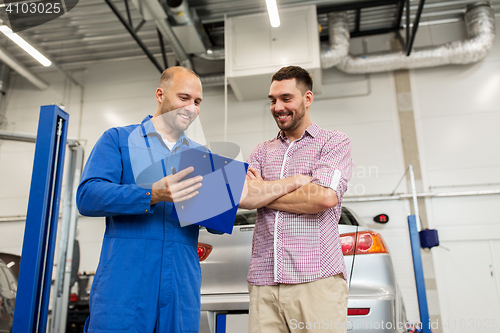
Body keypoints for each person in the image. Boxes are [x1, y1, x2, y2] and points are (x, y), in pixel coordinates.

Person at [77, 66, 211, 333]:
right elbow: (88, 196)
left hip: (180, 285)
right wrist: (152, 194)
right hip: (126, 281)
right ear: (160, 94)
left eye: (197, 102)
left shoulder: (201, 155)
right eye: (184, 98)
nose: (191, 108)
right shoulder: (118, 139)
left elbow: (215, 220)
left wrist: (233, 191)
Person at [239, 66, 354, 333]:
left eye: (286, 98)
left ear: (307, 98)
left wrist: (263, 193)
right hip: (264, 282)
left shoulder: (334, 143)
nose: (277, 107)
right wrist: (293, 183)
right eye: (272, 100)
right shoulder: (261, 151)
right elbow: (242, 197)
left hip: (315, 281)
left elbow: (324, 197)